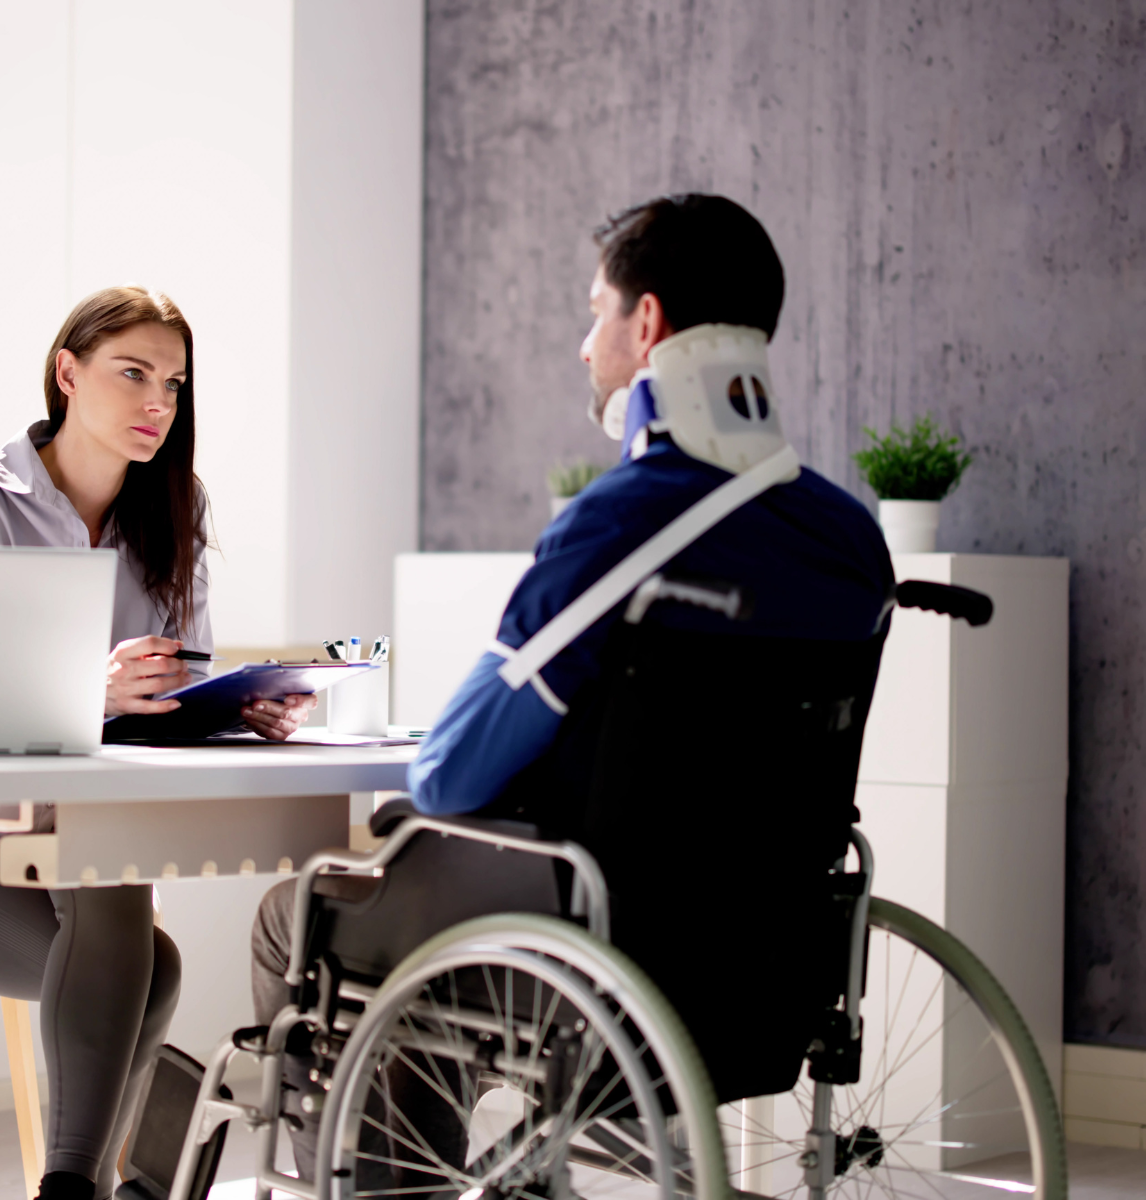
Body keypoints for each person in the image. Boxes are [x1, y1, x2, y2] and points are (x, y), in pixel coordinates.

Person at [247, 194, 896, 1170]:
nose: (582, 345)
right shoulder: (852, 544)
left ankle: (375, 1182)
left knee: (301, 910)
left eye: (595, 312)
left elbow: (447, 781)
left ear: (647, 325)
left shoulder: (621, 524)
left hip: (590, 933)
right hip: (761, 951)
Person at [0, 286, 315, 1200]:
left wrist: (229, 703)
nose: (158, 405)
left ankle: (72, 1190)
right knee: (146, 953)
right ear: (68, 374)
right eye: (133, 374)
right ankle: (99, 1188)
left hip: (63, 840)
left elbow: (174, 681)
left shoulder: (174, 508)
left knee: (123, 897)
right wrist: (84, 689)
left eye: (173, 386)